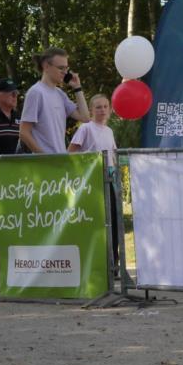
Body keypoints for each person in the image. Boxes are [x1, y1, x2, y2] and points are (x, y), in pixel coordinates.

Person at [68, 94, 120, 268]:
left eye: (105, 106)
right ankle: (96, 262)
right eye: (98, 107)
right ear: (90, 110)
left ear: (110, 110)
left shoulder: (109, 131)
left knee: (112, 221)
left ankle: (113, 263)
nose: (102, 110)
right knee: (97, 222)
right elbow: (71, 152)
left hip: (109, 181)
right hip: (92, 182)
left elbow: (113, 155)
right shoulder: (86, 128)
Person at [19, 48, 89, 154]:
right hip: (45, 164)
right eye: (61, 68)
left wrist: (77, 88)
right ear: (46, 66)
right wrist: (44, 157)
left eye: (66, 68)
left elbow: (85, 118)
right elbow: (24, 132)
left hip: (59, 160)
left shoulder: (60, 94)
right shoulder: (36, 92)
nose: (65, 73)